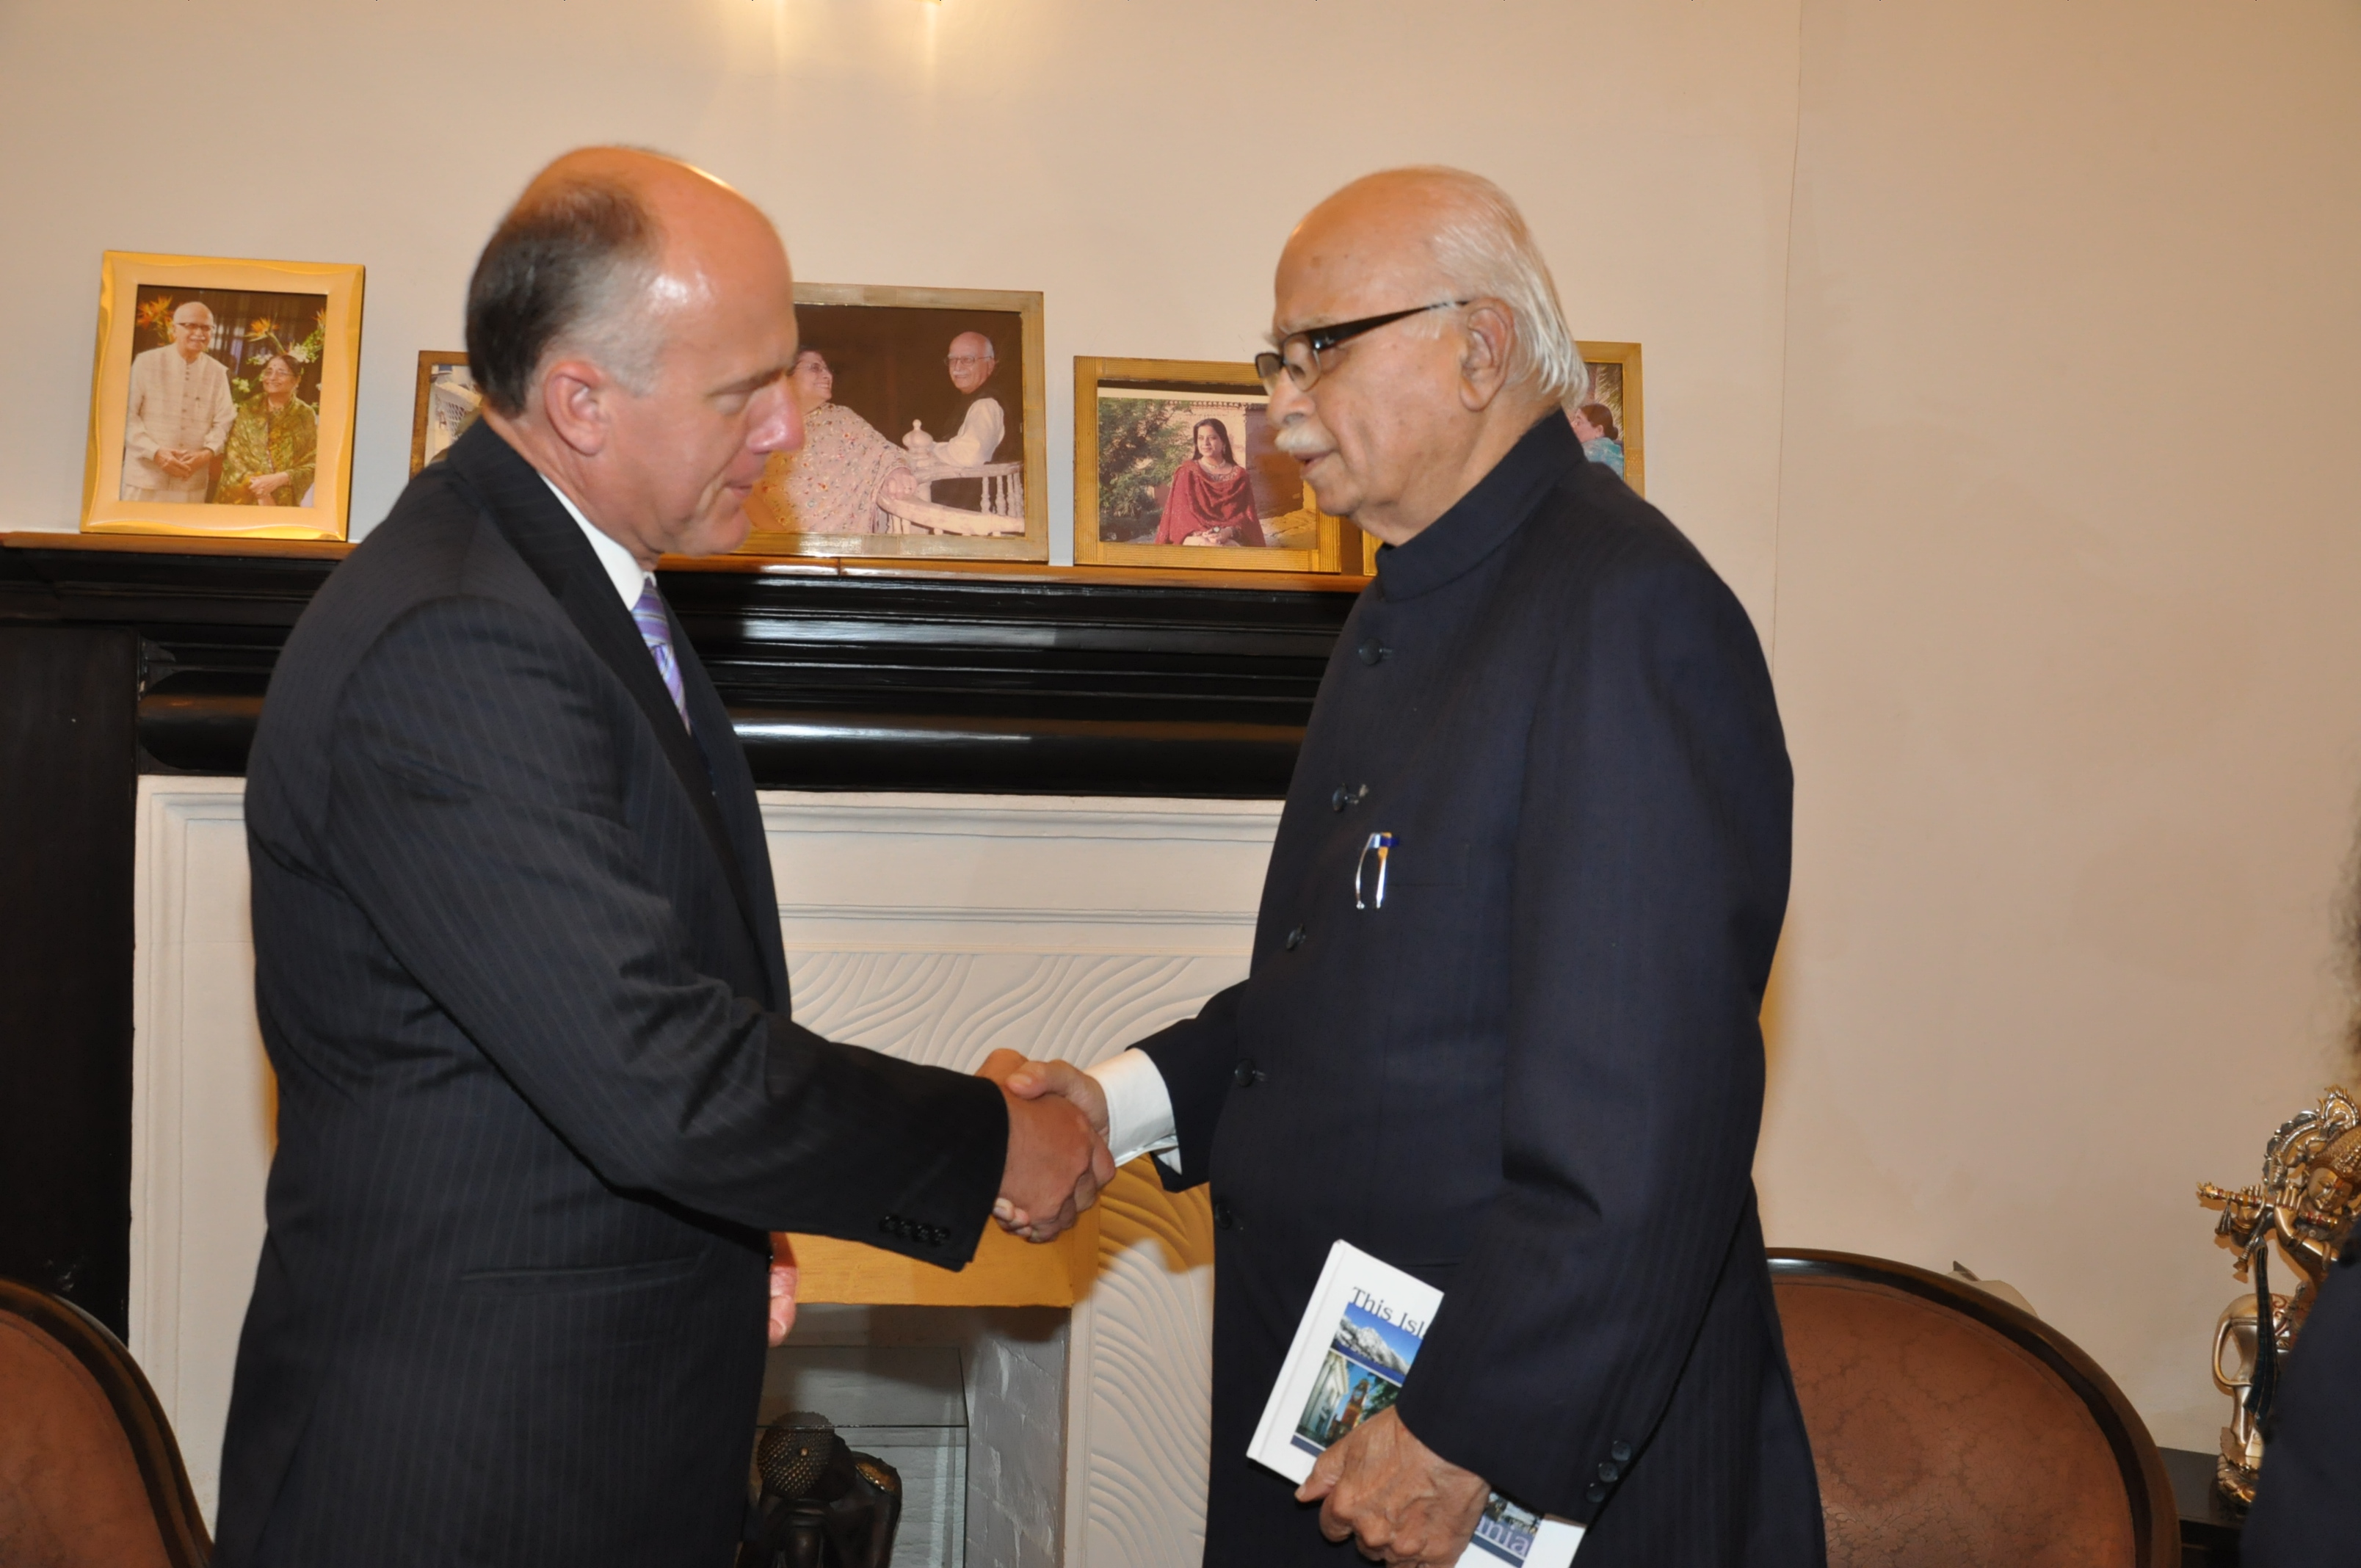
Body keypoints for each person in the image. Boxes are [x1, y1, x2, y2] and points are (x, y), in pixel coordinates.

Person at [213, 148, 1109, 1568]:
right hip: (471, 1482)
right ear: (579, 400)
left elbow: (585, 1047)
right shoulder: (457, 635)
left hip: (580, 1446)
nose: (788, 429)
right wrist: (990, 1139)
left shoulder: (566, 588)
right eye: (741, 392)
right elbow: (657, 1068)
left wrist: (735, 1229)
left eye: (794, 374)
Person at [1002, 167, 1821, 1566]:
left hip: (1493, 1454)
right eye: (1275, 361)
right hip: (1363, 1428)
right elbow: (1347, 991)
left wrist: (1473, 1434)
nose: (1280, 407)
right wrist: (1115, 1104)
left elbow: (1645, 1120)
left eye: (1321, 347)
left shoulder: (1627, 613)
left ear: (1477, 349)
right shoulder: (1428, 597)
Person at [747, 347, 917, 534]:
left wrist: (898, 471)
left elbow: (884, 452)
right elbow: (745, 494)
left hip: (839, 551)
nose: (827, 375)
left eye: (828, 369)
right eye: (815, 368)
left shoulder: (843, 419)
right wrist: (783, 541)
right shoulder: (760, 426)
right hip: (773, 543)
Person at [122, 300, 234, 501]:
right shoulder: (146, 363)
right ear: (174, 329)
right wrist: (154, 452)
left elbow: (224, 422)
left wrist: (207, 453)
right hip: (144, 477)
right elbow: (124, 416)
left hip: (190, 480)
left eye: (206, 328)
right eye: (191, 325)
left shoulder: (217, 373)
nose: (199, 334)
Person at [217, 352, 318, 507]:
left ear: (297, 380)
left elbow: (312, 461)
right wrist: (262, 491)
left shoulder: (305, 414)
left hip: (284, 496)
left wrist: (279, 479)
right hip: (247, 493)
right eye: (269, 371)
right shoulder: (249, 408)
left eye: (281, 373)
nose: (272, 377)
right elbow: (234, 455)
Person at [1155, 418, 1267, 546]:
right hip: (1195, 536)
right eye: (1201, 438)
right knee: (1209, 545)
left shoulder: (1240, 476)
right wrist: (1204, 534)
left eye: (1212, 438)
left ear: (1223, 441)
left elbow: (1247, 517)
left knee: (1230, 548)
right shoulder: (1187, 472)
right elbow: (1181, 515)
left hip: (1231, 536)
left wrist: (1227, 532)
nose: (1205, 443)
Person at [1570, 400, 1624, 476]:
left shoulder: (1587, 455)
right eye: (1573, 421)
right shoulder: (1615, 453)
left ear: (1598, 431)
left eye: (1578, 422)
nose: (1572, 425)